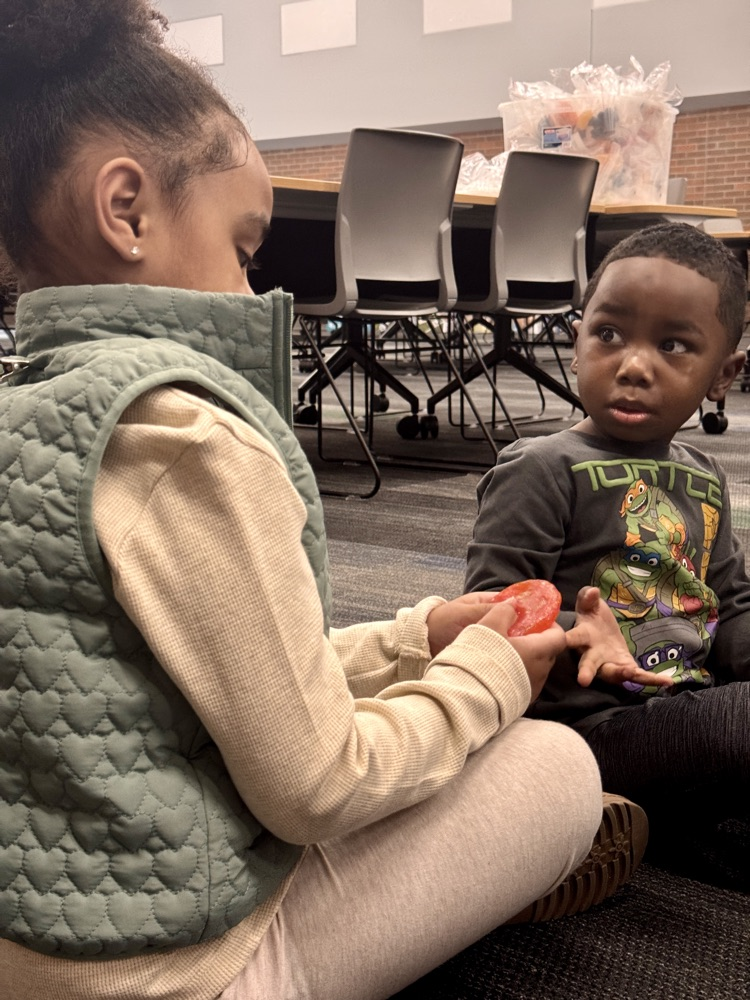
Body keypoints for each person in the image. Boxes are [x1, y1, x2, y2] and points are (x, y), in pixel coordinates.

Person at [0, 4, 645, 999]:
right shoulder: (188, 437)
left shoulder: (29, 411)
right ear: (126, 209)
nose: (257, 285)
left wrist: (420, 634)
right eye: (244, 249)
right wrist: (488, 673)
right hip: (170, 970)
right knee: (554, 762)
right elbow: (317, 784)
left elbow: (197, 673)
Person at [466, 221, 750, 888]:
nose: (632, 364)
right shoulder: (540, 468)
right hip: (580, 729)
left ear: (723, 375)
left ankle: (653, 824)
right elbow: (484, 616)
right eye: (610, 334)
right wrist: (574, 627)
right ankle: (578, 812)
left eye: (674, 345)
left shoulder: (705, 476)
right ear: (577, 338)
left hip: (683, 706)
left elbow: (730, 607)